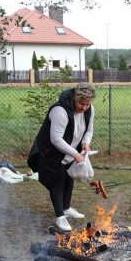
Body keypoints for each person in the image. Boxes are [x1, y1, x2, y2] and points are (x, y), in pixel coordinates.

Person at [27, 83, 96, 231]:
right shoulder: (60, 111)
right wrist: (76, 154)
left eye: (88, 104)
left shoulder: (89, 110)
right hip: (51, 152)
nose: (84, 108)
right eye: (81, 103)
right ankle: (60, 217)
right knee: (57, 180)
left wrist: (85, 143)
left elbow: (89, 129)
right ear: (74, 98)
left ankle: (66, 208)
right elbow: (56, 139)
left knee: (68, 178)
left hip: (71, 150)